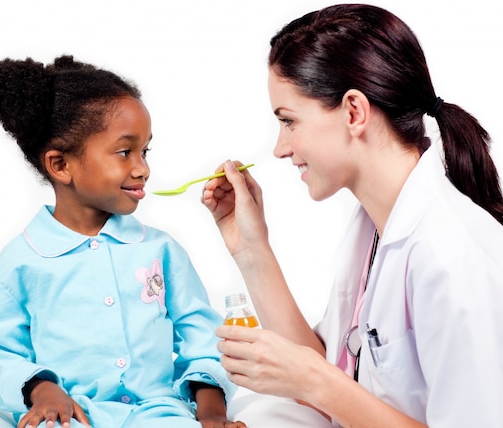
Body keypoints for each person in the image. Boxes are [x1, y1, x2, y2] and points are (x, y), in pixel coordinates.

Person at [201, 4, 503, 427]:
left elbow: (323, 384)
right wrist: (250, 248)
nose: (280, 148)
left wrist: (315, 380)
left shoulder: (452, 258)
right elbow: (331, 377)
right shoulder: (373, 226)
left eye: (289, 121)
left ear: (354, 112)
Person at [0, 55, 245, 428]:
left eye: (145, 151)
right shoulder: (23, 260)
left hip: (159, 411)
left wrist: (211, 411)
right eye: (124, 151)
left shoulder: (159, 250)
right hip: (70, 412)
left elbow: (200, 336)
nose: (142, 168)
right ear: (61, 165)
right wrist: (42, 391)